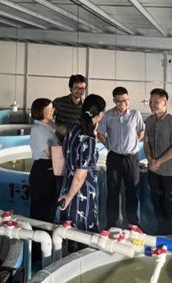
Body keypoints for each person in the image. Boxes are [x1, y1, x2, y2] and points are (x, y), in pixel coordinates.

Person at [58, 94, 106, 251]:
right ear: (100, 114)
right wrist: (70, 196)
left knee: (69, 227)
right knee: (84, 230)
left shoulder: (73, 128)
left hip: (68, 182)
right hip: (81, 189)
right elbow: (81, 175)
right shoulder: (88, 139)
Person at [97, 86, 145, 229]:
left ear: (128, 99)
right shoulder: (108, 116)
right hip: (114, 158)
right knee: (113, 191)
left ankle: (133, 223)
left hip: (132, 158)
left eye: (125, 100)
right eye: (119, 101)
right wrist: (109, 146)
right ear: (114, 101)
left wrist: (133, 144)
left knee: (132, 191)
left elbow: (141, 131)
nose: (122, 104)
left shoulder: (135, 114)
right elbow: (100, 133)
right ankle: (111, 223)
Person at [143, 88, 172, 235]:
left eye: (156, 102)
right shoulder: (149, 121)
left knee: (170, 206)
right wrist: (150, 159)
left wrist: (158, 161)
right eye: (151, 101)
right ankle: (161, 233)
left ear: (165, 102)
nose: (152, 104)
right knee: (157, 204)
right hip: (153, 171)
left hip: (168, 173)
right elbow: (146, 143)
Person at [28, 98, 62, 224]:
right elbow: (50, 152)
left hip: (51, 168)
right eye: (48, 109)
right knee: (41, 210)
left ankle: (47, 233)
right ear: (39, 111)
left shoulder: (48, 128)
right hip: (43, 169)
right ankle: (39, 234)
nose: (51, 111)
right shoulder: (38, 129)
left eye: (52, 108)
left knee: (50, 208)